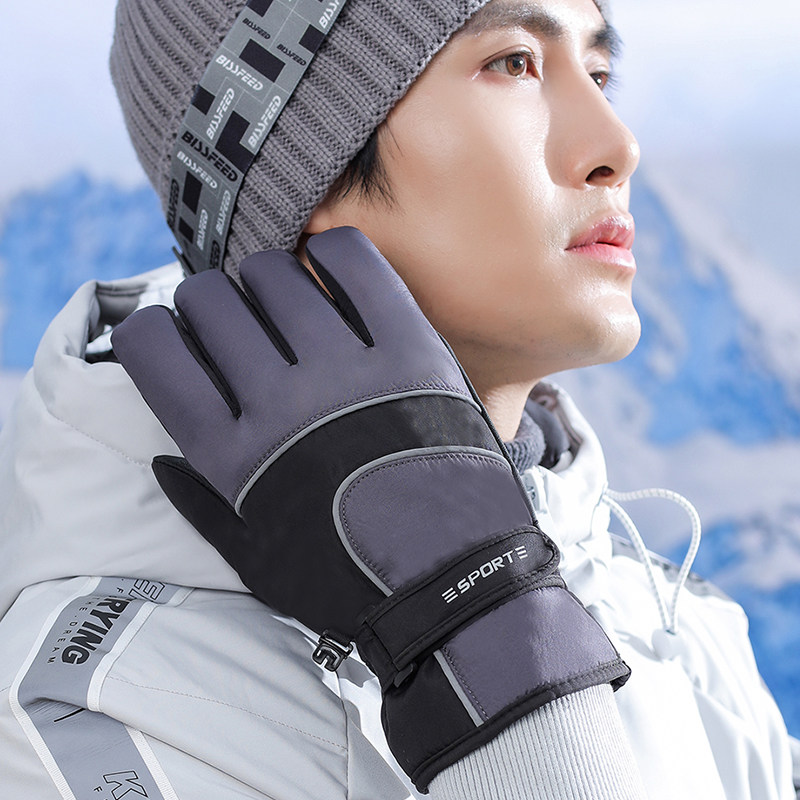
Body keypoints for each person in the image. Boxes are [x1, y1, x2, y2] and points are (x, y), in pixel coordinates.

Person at [0, 0, 797, 798]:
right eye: (514, 63)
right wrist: (479, 626)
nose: (617, 146)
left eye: (598, 72)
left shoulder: (677, 621)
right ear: (301, 173)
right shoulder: (89, 715)